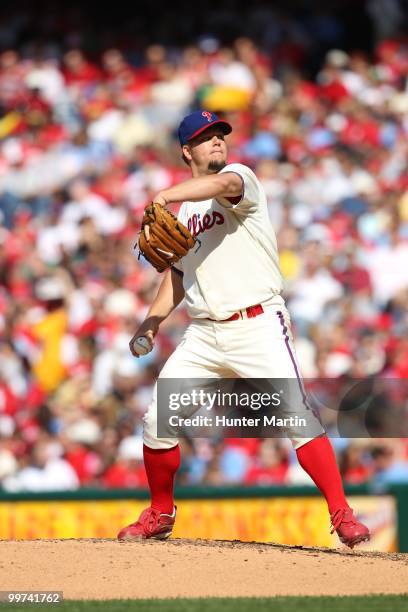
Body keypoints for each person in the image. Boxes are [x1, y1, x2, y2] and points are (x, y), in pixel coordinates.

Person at [117, 110, 370, 548]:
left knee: (297, 415)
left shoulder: (239, 177)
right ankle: (160, 512)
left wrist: (164, 194)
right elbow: (177, 276)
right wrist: (152, 322)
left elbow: (222, 186)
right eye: (204, 137)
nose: (216, 141)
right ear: (186, 150)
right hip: (203, 334)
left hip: (257, 324)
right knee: (158, 420)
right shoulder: (185, 213)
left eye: (219, 134)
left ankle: (342, 513)